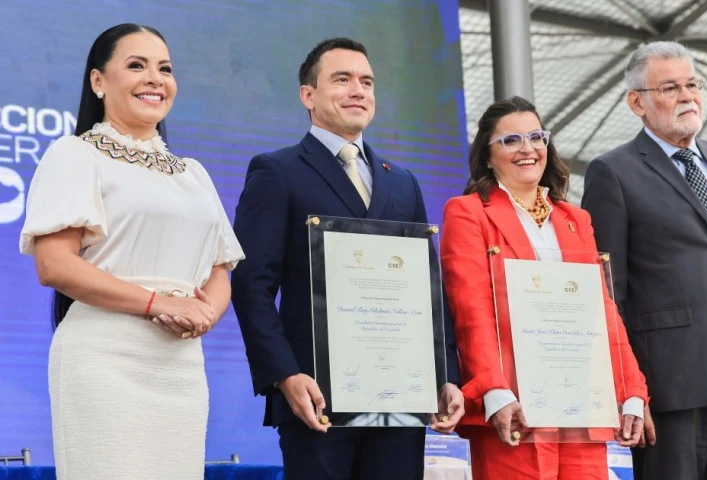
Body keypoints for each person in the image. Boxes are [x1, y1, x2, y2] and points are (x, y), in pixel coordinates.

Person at [230, 37, 464, 480]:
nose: (358, 90)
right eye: (342, 79)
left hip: (401, 400)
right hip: (316, 399)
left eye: (366, 81)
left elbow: (427, 291)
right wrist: (285, 375)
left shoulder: (403, 183)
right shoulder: (276, 171)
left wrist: (445, 373)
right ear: (308, 95)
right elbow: (251, 285)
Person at [19, 24, 244, 479]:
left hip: (180, 363)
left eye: (165, 68)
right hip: (104, 359)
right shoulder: (75, 155)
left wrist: (205, 314)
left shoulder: (193, 174)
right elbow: (54, 264)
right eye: (136, 66)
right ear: (98, 82)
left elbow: (221, 269)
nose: (155, 78)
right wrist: (157, 302)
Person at [582, 41, 707, 480]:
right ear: (637, 103)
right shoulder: (613, 172)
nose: (687, 96)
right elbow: (609, 290)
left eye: (692, 84)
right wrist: (629, 389)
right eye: (670, 88)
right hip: (668, 384)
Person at [440, 96, 650, 480]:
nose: (528, 149)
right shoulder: (467, 212)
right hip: (514, 406)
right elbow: (471, 311)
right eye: (511, 140)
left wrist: (631, 390)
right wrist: (494, 391)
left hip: (582, 407)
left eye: (537, 137)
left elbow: (602, 311)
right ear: (488, 156)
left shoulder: (576, 219)